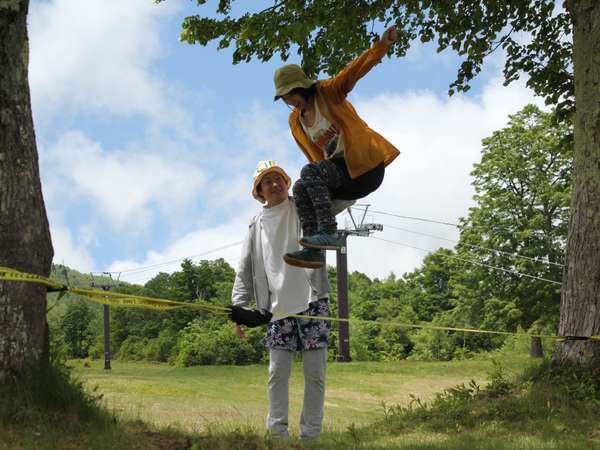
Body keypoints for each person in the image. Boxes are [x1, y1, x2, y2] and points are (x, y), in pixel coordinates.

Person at [273, 26, 401, 268]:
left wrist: (380, 47)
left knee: (309, 172)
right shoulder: (296, 120)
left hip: (365, 168)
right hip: (341, 176)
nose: (289, 102)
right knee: (301, 187)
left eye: (290, 95)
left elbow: (352, 72)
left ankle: (329, 232)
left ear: (300, 87)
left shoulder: (328, 92)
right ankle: (313, 248)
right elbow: (315, 157)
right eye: (285, 99)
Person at [228, 160, 331, 441]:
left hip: (313, 302)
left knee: (315, 375)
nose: (274, 184)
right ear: (259, 191)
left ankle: (310, 438)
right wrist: (239, 311)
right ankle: (277, 436)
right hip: (277, 310)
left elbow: (337, 203)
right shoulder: (255, 225)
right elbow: (245, 268)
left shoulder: (303, 206)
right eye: (267, 181)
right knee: (277, 374)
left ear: (287, 182)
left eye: (278, 178)